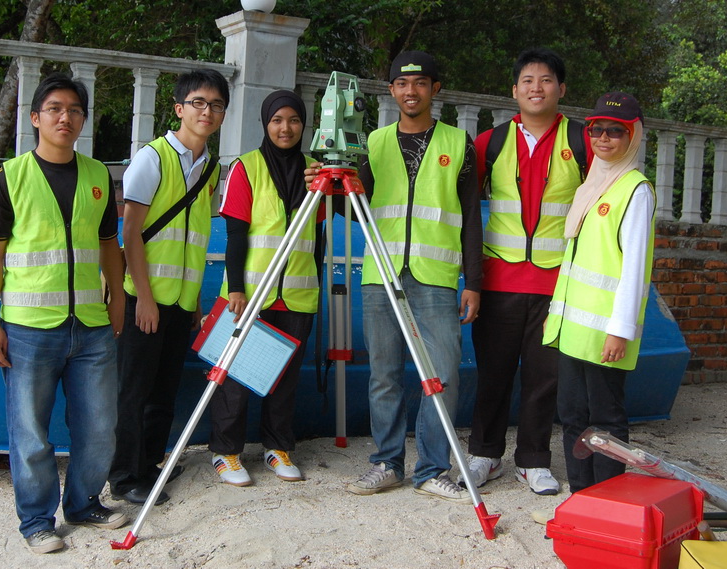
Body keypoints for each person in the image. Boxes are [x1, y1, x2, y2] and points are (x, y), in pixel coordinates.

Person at [310, 50, 482, 502]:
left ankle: (432, 469)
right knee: (383, 375)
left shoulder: (458, 143)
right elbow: (355, 209)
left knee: (443, 374)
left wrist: (474, 282)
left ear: (435, 89)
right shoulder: (373, 142)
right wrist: (329, 187)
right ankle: (387, 463)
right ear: (391, 90)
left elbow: (471, 216)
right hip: (380, 273)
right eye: (402, 84)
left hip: (436, 276)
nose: (411, 91)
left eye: (421, 83)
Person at [0, 72, 127, 555]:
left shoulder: (98, 175)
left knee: (99, 427)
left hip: (92, 326)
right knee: (30, 433)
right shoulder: (9, 177)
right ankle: (37, 521)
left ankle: (83, 504)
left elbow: (109, 245)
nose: (66, 118)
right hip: (29, 329)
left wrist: (119, 298)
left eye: (75, 110)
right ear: (35, 118)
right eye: (56, 109)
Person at [462, 48, 592, 496]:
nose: (537, 88)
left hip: (557, 283)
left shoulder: (583, 141)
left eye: (546, 80)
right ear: (514, 90)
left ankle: (534, 460)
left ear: (562, 88)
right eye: (528, 81)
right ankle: (485, 453)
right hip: (498, 280)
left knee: (544, 377)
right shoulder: (490, 142)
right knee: (493, 372)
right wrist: (472, 278)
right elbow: (466, 210)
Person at [108, 69, 227, 506]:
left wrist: (193, 301)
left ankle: (150, 462)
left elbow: (193, 238)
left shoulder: (211, 166)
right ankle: (125, 477)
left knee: (164, 388)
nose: (207, 111)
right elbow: (131, 233)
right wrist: (142, 297)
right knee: (134, 390)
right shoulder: (152, 158)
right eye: (198, 102)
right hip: (145, 298)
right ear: (179, 108)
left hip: (181, 298)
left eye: (216, 105)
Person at [208, 90, 325, 486]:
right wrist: (236, 288)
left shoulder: (314, 171)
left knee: (285, 378)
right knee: (235, 376)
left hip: (297, 293)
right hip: (250, 293)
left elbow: (319, 235)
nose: (285, 128)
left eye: (293, 120)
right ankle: (226, 452)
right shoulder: (247, 167)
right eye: (277, 120)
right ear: (265, 123)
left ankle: (278, 447)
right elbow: (236, 235)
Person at [543, 91, 655, 493]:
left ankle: (607, 502)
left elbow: (634, 269)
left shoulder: (635, 190)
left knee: (605, 419)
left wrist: (619, 331)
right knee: (572, 415)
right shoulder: (592, 185)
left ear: (633, 136)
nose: (603, 138)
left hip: (605, 332)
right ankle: (581, 499)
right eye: (596, 129)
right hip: (574, 328)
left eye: (615, 131)